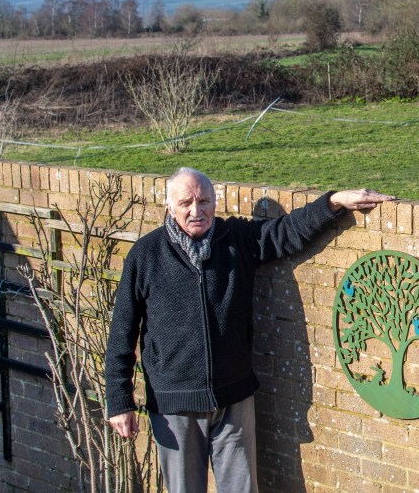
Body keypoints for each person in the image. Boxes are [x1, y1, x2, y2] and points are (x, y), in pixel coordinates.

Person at [105, 167, 394, 493]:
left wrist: (335, 202)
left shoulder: (235, 240)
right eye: (186, 202)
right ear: (169, 206)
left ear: (215, 202)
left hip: (234, 399)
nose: (196, 210)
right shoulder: (145, 255)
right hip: (174, 405)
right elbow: (122, 332)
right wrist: (119, 401)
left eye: (204, 201)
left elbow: (287, 232)